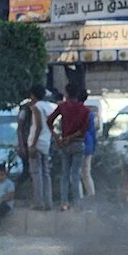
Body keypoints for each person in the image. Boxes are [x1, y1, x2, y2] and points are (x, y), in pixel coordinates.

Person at [48, 83, 90, 211]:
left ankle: (64, 202)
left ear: (66, 93)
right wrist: (70, 138)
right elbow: (84, 129)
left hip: (64, 145)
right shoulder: (85, 110)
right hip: (78, 143)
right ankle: (78, 203)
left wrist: (57, 137)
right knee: (75, 174)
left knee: (65, 174)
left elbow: (49, 121)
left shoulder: (62, 106)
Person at [27, 85, 55, 211]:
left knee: (36, 174)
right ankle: (48, 202)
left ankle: (38, 202)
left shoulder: (37, 107)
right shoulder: (48, 107)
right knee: (46, 174)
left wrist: (33, 144)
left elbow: (38, 126)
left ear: (33, 95)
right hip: (46, 143)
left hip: (37, 143)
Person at [79, 90, 97, 198]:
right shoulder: (89, 113)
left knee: (76, 174)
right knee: (86, 173)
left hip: (80, 142)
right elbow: (93, 131)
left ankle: (80, 197)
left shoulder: (78, 111)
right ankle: (91, 195)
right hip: (89, 144)